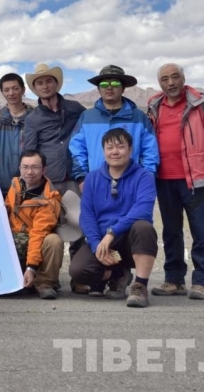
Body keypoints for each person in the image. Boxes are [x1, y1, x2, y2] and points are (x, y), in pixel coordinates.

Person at [147, 63, 204, 300]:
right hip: (164, 178)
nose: (170, 83)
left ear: (183, 78)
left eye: (175, 77)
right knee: (171, 231)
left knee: (201, 230)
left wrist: (200, 159)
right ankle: (174, 280)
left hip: (196, 180)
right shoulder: (154, 105)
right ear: (160, 83)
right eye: (165, 79)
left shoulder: (201, 103)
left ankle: (201, 282)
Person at [69, 128, 158, 308]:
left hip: (129, 240)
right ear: (103, 151)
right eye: (109, 148)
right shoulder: (92, 178)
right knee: (78, 271)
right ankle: (118, 274)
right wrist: (96, 244)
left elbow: (142, 210)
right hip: (102, 240)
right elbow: (87, 214)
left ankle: (140, 287)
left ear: (130, 149)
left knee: (144, 227)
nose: (115, 152)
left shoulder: (144, 177)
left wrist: (112, 233)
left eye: (120, 147)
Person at [69, 65, 159, 189]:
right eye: (104, 84)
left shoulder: (139, 117)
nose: (109, 87)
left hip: (132, 184)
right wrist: (82, 178)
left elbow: (150, 151)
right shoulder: (87, 117)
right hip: (96, 184)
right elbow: (77, 149)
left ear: (123, 88)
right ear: (98, 88)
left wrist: (147, 178)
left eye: (115, 83)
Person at [5, 150, 64, 300]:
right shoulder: (15, 185)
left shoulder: (49, 199)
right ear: (19, 168)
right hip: (12, 239)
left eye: (35, 167)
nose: (29, 172)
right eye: (25, 167)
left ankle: (44, 283)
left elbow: (38, 234)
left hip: (34, 241)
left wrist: (31, 267)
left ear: (44, 169)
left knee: (54, 241)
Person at [21, 63, 85, 195]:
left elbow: (88, 130)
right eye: (40, 83)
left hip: (77, 176)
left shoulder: (75, 108)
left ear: (56, 83)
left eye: (49, 81)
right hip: (50, 178)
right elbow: (30, 152)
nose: (45, 86)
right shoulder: (32, 119)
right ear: (35, 88)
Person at [0, 73, 34, 195]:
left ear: (23, 90)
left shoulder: (34, 117)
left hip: (31, 184)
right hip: (3, 185)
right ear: (2, 92)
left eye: (15, 88)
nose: (11, 93)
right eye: (6, 90)